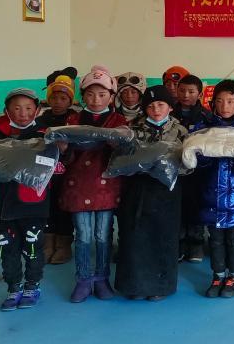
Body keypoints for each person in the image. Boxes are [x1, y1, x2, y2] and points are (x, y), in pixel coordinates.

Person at [60, 66, 129, 304]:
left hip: (106, 187)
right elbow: (64, 157)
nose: (96, 100)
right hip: (78, 185)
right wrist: (63, 149)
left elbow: (125, 155)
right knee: (83, 235)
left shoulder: (119, 121)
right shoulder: (72, 120)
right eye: (90, 94)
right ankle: (82, 279)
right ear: (82, 96)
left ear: (111, 96)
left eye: (102, 95)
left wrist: (117, 145)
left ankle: (101, 278)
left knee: (103, 235)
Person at [114, 85, 189, 301]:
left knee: (163, 237)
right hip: (138, 190)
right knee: (134, 237)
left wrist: (168, 165)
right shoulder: (132, 129)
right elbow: (121, 159)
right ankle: (134, 286)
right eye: (151, 105)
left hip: (167, 192)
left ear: (170, 107)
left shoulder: (181, 131)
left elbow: (189, 165)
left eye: (161, 104)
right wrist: (140, 163)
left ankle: (160, 286)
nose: (156, 109)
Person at [0, 88, 50, 311]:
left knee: (33, 248)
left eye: (28, 108)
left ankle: (32, 286)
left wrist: (62, 152)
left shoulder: (45, 135)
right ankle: (13, 288)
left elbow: (54, 167)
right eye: (17, 108)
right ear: (7, 110)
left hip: (32, 205)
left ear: (37, 110)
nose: (23, 113)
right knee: (7, 249)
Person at [195, 81, 234, 298]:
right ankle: (218, 275)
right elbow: (196, 161)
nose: (225, 106)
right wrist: (204, 156)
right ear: (213, 103)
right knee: (215, 238)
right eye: (220, 101)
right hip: (212, 195)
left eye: (230, 101)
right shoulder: (205, 127)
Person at [172, 74, 213, 263]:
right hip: (175, 169)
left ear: (199, 94)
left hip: (198, 171)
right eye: (182, 90)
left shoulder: (207, 116)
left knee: (197, 206)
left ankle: (196, 244)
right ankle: (179, 244)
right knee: (178, 207)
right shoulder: (169, 113)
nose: (186, 95)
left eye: (191, 91)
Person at [39, 72, 77, 266]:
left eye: (63, 98)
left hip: (67, 174)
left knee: (64, 209)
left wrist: (66, 150)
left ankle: (64, 245)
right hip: (45, 175)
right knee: (47, 208)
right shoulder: (41, 119)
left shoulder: (74, 120)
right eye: (54, 97)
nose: (58, 102)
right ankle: (48, 243)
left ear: (70, 100)